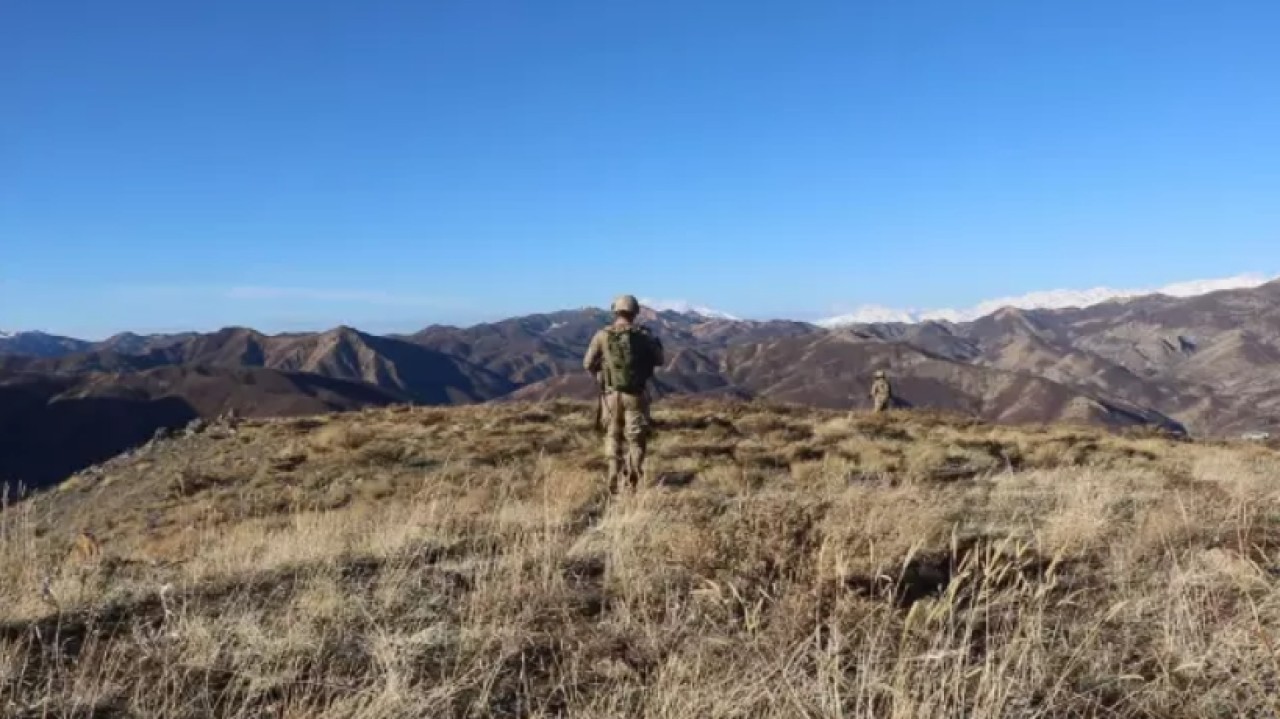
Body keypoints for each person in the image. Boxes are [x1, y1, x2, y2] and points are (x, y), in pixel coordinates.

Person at [583, 295, 665, 493]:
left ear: (615, 311)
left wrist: (601, 376)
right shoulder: (644, 335)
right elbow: (660, 360)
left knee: (612, 434)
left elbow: (587, 363)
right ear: (635, 312)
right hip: (636, 395)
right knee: (635, 439)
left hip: (610, 395)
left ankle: (613, 474)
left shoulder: (602, 335)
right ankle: (632, 481)